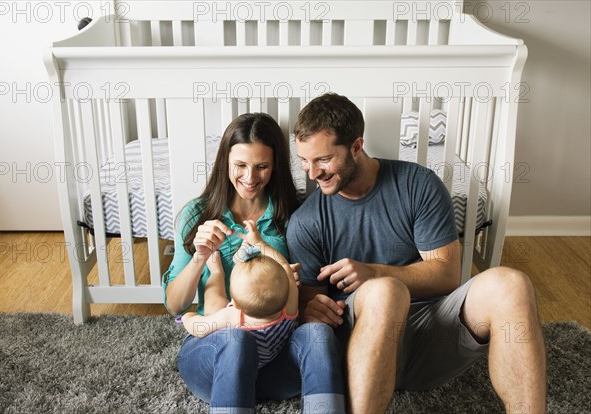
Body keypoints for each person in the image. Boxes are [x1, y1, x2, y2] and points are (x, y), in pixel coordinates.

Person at [287, 93, 547, 413]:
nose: (312, 173)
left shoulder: (416, 184)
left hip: (428, 336)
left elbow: (447, 274)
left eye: (323, 160)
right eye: (304, 161)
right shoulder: (307, 221)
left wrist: (375, 272)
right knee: (385, 292)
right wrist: (312, 310)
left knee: (511, 284)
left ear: (356, 146)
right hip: (358, 348)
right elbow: (311, 307)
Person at [162, 112, 345, 413]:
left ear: (275, 167)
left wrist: (297, 285)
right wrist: (199, 258)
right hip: (217, 359)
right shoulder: (196, 215)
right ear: (226, 164)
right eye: (241, 166)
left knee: (318, 335)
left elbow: (305, 292)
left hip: (278, 359)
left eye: (261, 167)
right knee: (237, 339)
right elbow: (174, 306)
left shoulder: (294, 215)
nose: (250, 178)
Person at [180, 219, 299, 369]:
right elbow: (283, 265)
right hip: (268, 357)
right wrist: (258, 242)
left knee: (214, 306)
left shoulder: (233, 316)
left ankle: (217, 273)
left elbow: (199, 328)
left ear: (234, 304)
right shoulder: (290, 307)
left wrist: (187, 317)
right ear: (287, 288)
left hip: (238, 361)